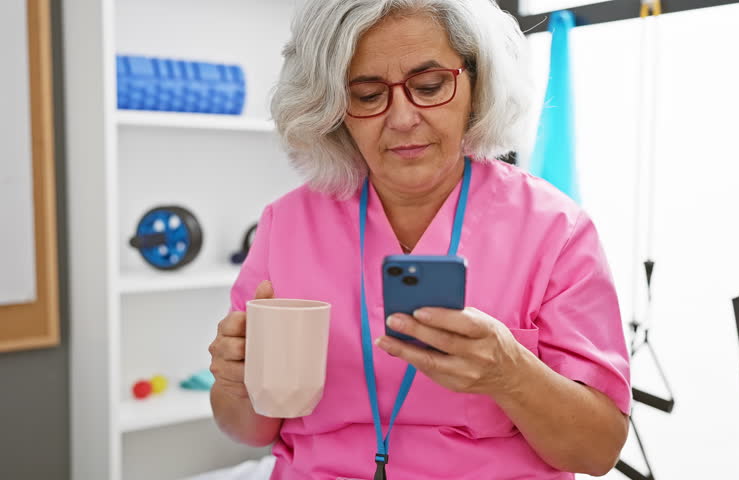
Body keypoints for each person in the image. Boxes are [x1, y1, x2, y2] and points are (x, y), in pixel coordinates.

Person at [207, 1, 631, 478]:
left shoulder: (555, 230)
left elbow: (598, 451)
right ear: (331, 108)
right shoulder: (287, 224)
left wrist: (511, 374)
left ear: (476, 83)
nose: (404, 118)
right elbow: (246, 430)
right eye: (367, 95)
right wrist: (234, 383)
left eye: (430, 87)